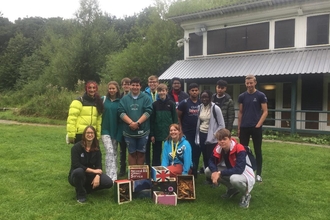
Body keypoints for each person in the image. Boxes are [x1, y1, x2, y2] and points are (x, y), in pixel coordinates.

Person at [205, 129, 255, 208]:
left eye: (224, 139)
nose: (222, 142)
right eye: (219, 139)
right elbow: (211, 160)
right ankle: (232, 189)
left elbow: (239, 169)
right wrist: (214, 172)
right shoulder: (218, 147)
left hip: (245, 172)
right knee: (208, 171)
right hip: (231, 169)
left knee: (234, 179)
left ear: (230, 139)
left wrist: (220, 173)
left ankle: (246, 194)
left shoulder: (239, 148)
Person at [68, 126, 113, 203]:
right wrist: (94, 171)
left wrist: (98, 176)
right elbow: (76, 164)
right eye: (88, 133)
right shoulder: (76, 148)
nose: (90, 135)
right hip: (76, 174)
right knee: (79, 171)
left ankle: (86, 189)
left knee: (108, 183)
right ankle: (80, 194)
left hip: (90, 175)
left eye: (92, 133)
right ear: (84, 135)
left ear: (94, 135)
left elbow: (99, 165)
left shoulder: (96, 148)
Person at [238, 74, 268, 182]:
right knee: (242, 150)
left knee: (257, 150)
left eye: (251, 83)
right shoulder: (242, 96)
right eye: (247, 83)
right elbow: (240, 112)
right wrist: (239, 128)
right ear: (245, 84)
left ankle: (258, 173)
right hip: (244, 127)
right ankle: (244, 170)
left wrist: (258, 124)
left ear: (255, 83)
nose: (249, 85)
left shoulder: (260, 95)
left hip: (256, 127)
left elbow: (265, 112)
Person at [118, 77, 153, 165]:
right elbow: (121, 112)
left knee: (141, 153)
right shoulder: (124, 99)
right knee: (132, 153)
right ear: (130, 86)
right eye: (133, 85)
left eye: (137, 85)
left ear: (140, 86)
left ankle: (140, 175)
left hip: (143, 131)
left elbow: (148, 111)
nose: (135, 87)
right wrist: (131, 123)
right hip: (129, 131)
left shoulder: (145, 98)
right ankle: (133, 174)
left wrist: (137, 123)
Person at [195, 90, 225, 182]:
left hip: (212, 138)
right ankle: (208, 178)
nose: (204, 99)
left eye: (206, 97)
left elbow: (222, 125)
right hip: (202, 134)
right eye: (202, 97)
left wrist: (214, 135)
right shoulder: (200, 107)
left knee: (211, 158)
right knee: (204, 157)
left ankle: (215, 178)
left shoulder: (216, 108)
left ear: (210, 98)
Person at [150, 83, 178, 166]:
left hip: (169, 133)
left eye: (163, 91)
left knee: (169, 151)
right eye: (159, 91)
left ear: (166, 91)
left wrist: (175, 132)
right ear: (157, 92)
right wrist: (152, 134)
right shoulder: (154, 105)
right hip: (157, 132)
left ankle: (170, 168)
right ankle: (155, 169)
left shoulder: (171, 104)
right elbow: (152, 120)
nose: (161, 93)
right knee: (156, 153)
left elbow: (175, 119)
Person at [177, 83, 201, 178]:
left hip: (198, 133)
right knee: (187, 152)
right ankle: (186, 170)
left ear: (198, 91)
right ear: (189, 91)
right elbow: (178, 117)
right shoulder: (184, 103)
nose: (194, 92)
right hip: (187, 132)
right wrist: (181, 130)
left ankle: (194, 172)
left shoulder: (201, 103)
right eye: (192, 90)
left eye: (196, 90)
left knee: (197, 153)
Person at [101, 81, 122, 181]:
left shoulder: (120, 101)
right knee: (109, 151)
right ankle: (110, 177)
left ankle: (113, 173)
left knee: (114, 153)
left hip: (115, 130)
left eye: (113, 88)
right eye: (110, 88)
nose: (111, 90)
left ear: (117, 89)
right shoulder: (103, 100)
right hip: (105, 130)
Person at [144, 75, 159, 167]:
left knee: (157, 148)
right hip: (146, 123)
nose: (152, 84)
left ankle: (156, 166)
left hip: (157, 124)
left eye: (154, 82)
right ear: (148, 83)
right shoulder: (144, 94)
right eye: (150, 82)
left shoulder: (161, 93)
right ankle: (147, 166)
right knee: (146, 148)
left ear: (158, 83)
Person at [119, 77, 131, 176]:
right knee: (122, 150)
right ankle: (122, 169)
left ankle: (132, 170)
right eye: (124, 84)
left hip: (132, 126)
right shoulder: (119, 96)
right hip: (122, 126)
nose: (126, 86)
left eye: (128, 84)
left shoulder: (134, 97)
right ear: (122, 85)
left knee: (132, 150)